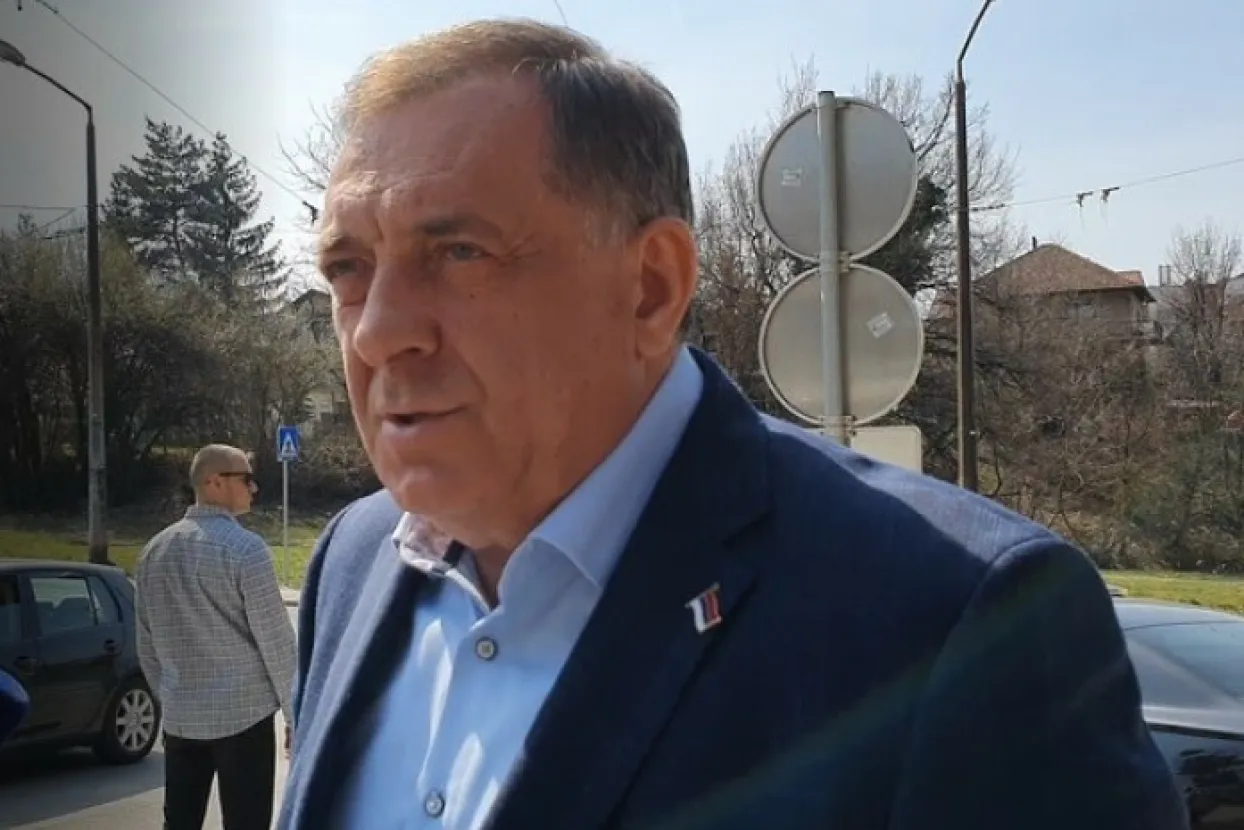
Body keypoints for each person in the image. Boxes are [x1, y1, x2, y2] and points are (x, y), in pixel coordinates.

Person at [278, 18, 1187, 830]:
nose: (378, 331)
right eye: (348, 268)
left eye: (458, 251)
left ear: (651, 287)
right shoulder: (353, 564)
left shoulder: (964, 627)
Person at [137, 444, 296, 830]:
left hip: (181, 719)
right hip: (244, 718)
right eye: (246, 478)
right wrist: (297, 715)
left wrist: (170, 697)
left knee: (180, 821)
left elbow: (146, 644)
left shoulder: (153, 552)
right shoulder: (246, 550)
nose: (253, 488)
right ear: (214, 482)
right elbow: (276, 643)